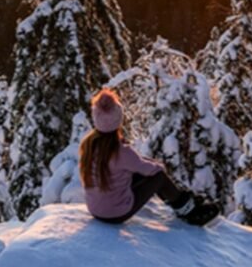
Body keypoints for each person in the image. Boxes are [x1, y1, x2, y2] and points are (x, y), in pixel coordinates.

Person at [79, 88, 220, 226]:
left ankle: (183, 203)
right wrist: (159, 166)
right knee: (159, 177)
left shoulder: (89, 145)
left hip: (96, 210)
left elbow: (132, 164)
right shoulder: (121, 151)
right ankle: (189, 210)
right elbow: (148, 170)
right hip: (116, 214)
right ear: (118, 120)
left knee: (135, 173)